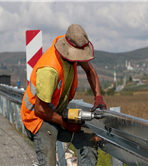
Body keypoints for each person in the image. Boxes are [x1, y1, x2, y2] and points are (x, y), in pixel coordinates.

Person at [21, 24, 107, 166]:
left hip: (56, 113)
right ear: (68, 51)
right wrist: (65, 123)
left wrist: (98, 97)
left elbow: (89, 70)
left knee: (89, 139)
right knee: (48, 164)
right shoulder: (49, 70)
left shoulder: (72, 44)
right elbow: (40, 109)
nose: (80, 59)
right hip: (38, 119)